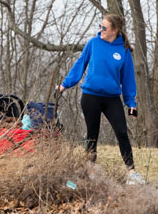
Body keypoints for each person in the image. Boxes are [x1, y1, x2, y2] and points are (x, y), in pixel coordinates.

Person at [59, 14, 146, 185]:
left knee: (121, 132)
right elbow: (80, 64)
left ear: (114, 30)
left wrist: (131, 104)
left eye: (104, 28)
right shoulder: (93, 43)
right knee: (92, 134)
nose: (101, 30)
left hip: (112, 98)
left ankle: (132, 173)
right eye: (100, 26)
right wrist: (65, 84)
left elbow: (128, 80)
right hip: (91, 96)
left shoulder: (124, 50)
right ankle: (91, 171)